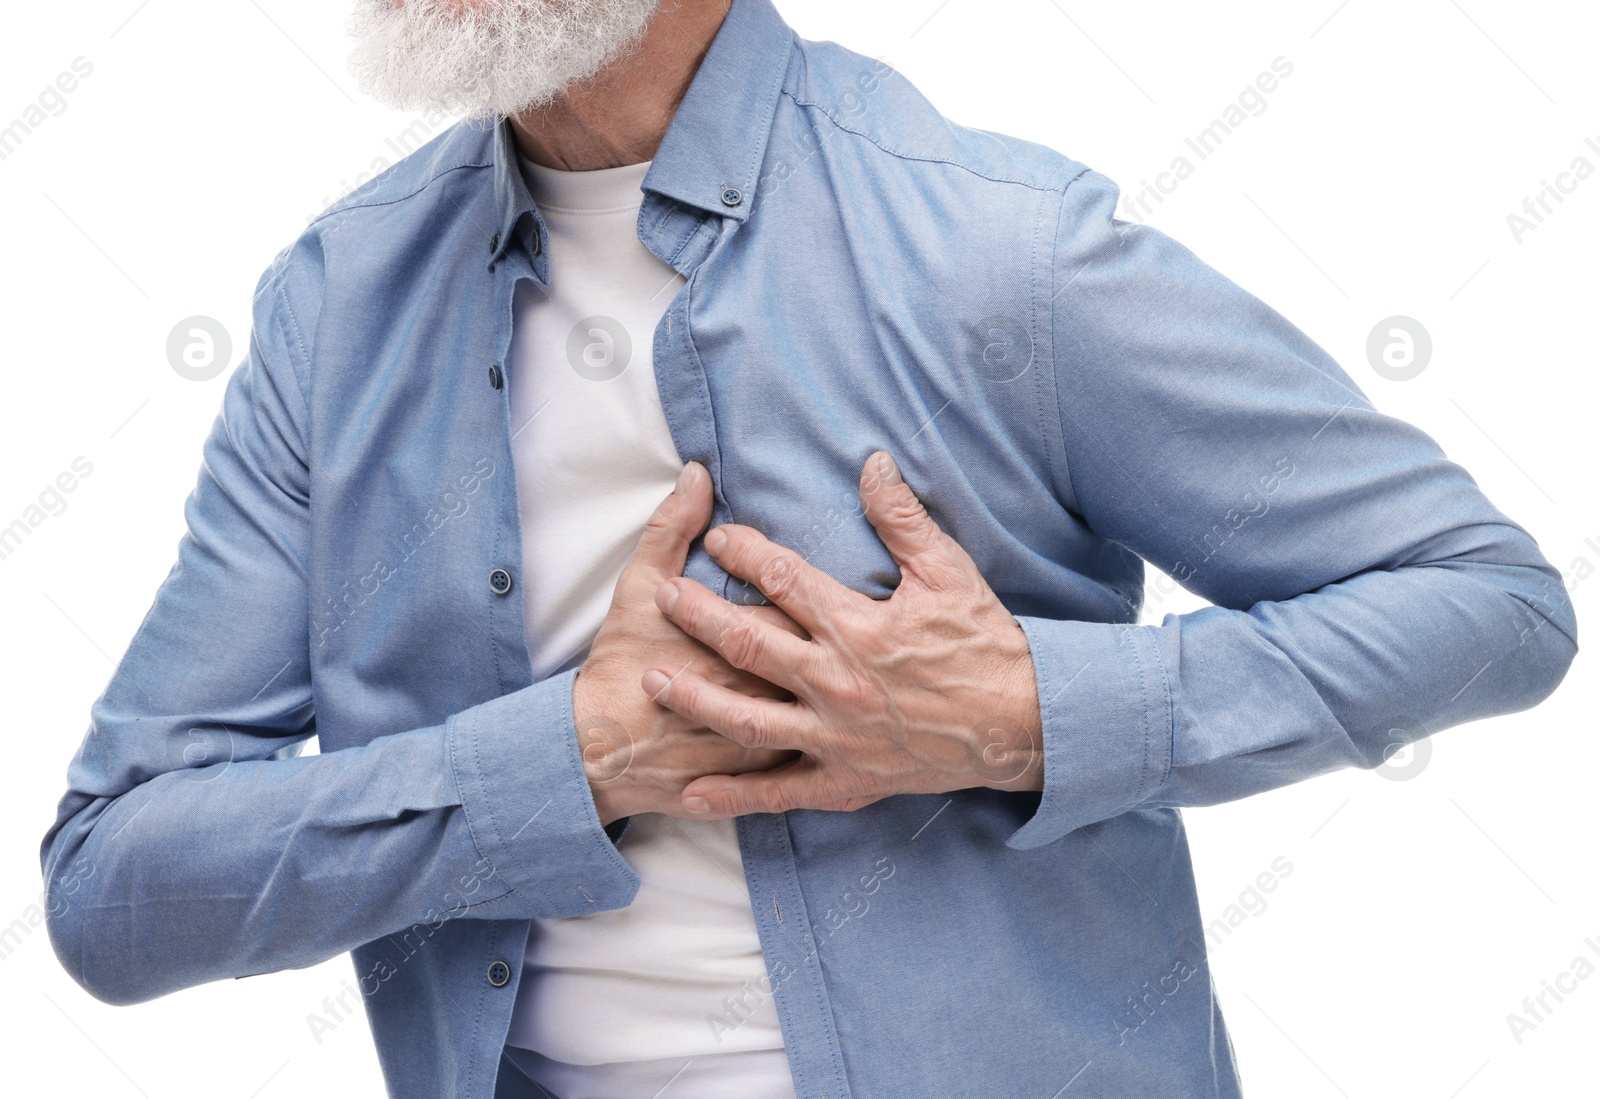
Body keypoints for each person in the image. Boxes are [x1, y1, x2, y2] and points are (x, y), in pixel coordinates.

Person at [40, 1, 1577, 1097]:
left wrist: (1024, 713)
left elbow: (1490, 603)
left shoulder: (999, 247)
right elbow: (113, 883)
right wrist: (564, 762)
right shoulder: (333, 316)